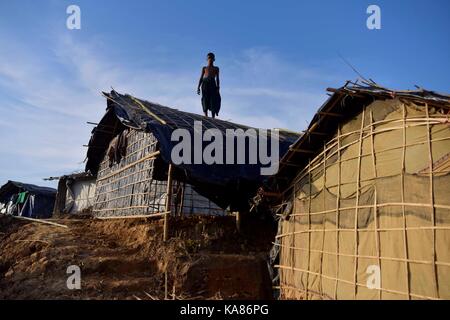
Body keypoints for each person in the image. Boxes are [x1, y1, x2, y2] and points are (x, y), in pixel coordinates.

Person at [197, 52, 221, 118]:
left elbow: (217, 79)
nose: (210, 59)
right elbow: (201, 77)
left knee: (213, 99)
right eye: (209, 58)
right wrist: (198, 87)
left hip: (212, 83)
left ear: (214, 59)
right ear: (207, 59)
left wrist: (218, 87)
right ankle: (206, 115)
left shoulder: (216, 68)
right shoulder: (204, 68)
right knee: (205, 98)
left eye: (211, 58)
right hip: (205, 83)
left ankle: (213, 116)